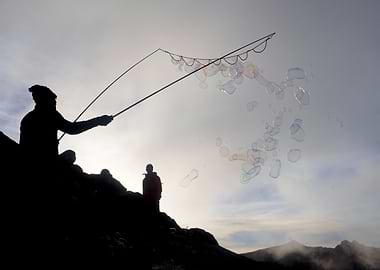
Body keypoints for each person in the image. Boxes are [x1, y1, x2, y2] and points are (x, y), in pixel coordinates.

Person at [19, 85, 113, 163]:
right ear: (43, 100)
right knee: (70, 155)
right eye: (52, 101)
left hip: (38, 158)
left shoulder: (31, 117)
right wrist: (98, 121)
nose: (55, 104)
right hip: (42, 161)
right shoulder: (49, 115)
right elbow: (72, 129)